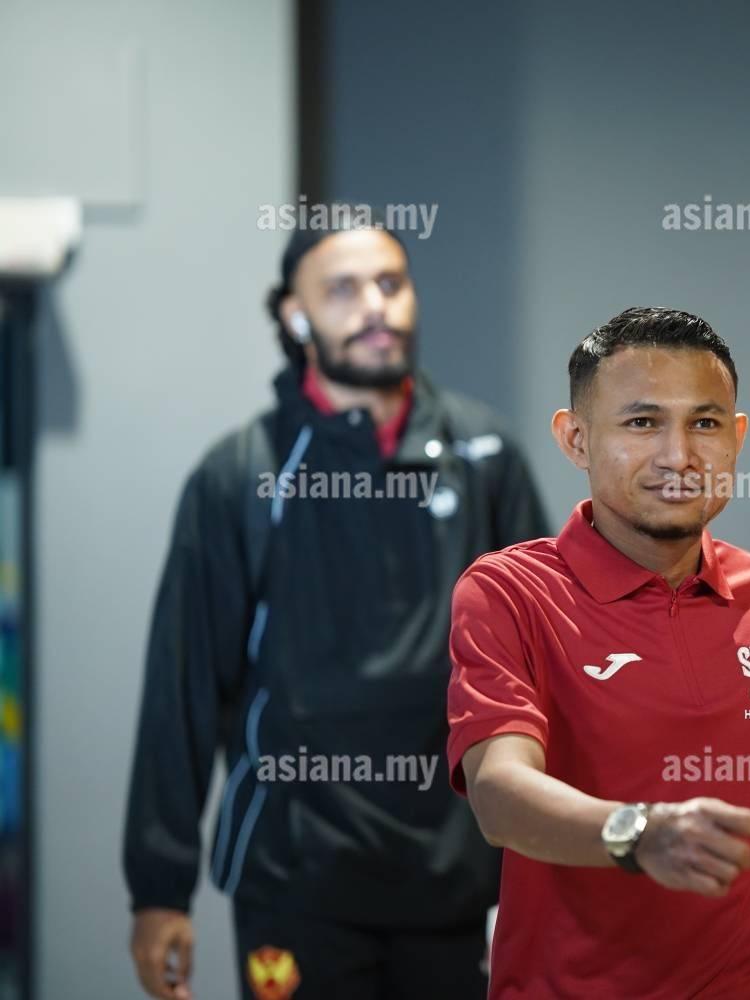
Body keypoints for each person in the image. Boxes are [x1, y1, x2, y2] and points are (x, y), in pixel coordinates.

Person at [124, 222, 548, 1000]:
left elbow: (543, 667)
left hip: (458, 880)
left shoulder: (486, 454)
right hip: (295, 878)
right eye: (343, 290)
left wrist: (556, 850)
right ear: (295, 315)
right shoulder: (240, 474)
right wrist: (159, 889)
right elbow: (180, 688)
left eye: (390, 283)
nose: (374, 307)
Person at [448, 306, 750, 999]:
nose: (679, 456)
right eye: (643, 423)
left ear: (738, 437)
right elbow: (499, 795)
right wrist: (639, 834)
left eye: (705, 424)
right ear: (576, 439)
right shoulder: (508, 592)